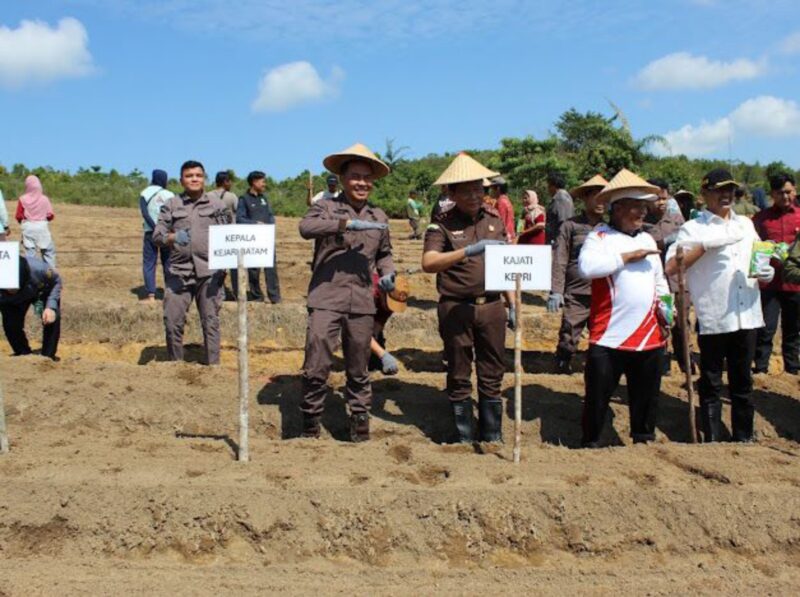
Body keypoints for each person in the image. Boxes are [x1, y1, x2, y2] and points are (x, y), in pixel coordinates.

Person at [665, 168, 773, 442]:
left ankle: (743, 437)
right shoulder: (693, 228)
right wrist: (704, 246)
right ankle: (712, 439)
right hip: (714, 316)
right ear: (705, 193)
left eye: (730, 190)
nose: (726, 195)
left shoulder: (746, 224)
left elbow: (758, 257)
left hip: (747, 314)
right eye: (719, 190)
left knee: (743, 382)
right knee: (711, 381)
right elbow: (671, 267)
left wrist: (764, 271)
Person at [298, 143, 396, 442]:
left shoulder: (379, 216)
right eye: (355, 176)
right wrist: (346, 223)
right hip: (326, 297)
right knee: (317, 363)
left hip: (362, 300)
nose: (362, 182)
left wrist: (388, 273)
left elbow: (385, 252)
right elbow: (306, 227)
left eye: (367, 177)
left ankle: (359, 425)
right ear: (342, 179)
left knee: (358, 367)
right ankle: (310, 426)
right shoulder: (325, 207)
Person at [422, 152, 514, 444]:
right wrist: (467, 252)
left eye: (480, 189)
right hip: (456, 308)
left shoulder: (495, 221)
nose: (475, 195)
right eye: (467, 190)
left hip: (492, 308)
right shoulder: (442, 224)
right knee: (459, 370)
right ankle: (462, 437)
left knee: (493, 371)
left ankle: (492, 434)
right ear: (452, 192)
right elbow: (429, 262)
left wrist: (512, 304)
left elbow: (507, 266)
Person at [578, 169, 670, 448]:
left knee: (646, 395)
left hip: (649, 334)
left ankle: (643, 439)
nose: (643, 212)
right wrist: (627, 257)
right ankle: (591, 443)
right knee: (597, 396)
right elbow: (587, 269)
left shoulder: (647, 238)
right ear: (617, 208)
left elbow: (660, 281)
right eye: (636, 206)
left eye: (644, 206)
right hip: (609, 334)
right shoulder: (599, 237)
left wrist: (668, 312)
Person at [152, 160, 231, 365]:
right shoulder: (171, 205)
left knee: (211, 322)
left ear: (204, 178)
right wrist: (173, 237)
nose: (194, 179)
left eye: (198, 175)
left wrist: (225, 267)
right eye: (189, 176)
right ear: (181, 180)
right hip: (179, 273)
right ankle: (175, 365)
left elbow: (230, 236)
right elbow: (157, 236)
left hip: (210, 273)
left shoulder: (217, 205)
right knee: (172, 321)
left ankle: (213, 367)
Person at [548, 174, 608, 373]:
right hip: (576, 292)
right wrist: (556, 290)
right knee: (569, 333)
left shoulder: (611, 228)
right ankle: (562, 364)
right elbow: (560, 259)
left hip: (605, 293)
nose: (600, 203)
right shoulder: (570, 226)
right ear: (585, 199)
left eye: (604, 198)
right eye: (596, 197)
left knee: (603, 337)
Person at [752, 173, 800, 374]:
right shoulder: (761, 218)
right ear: (772, 194)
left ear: (795, 190)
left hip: (795, 283)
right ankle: (761, 368)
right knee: (766, 327)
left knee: (793, 328)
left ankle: (792, 368)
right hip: (768, 284)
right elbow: (752, 245)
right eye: (780, 193)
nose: (785, 197)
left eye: (788, 192)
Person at [644, 177, 686, 375]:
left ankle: (685, 361)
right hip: (655, 281)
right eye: (656, 198)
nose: (660, 202)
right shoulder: (641, 221)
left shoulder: (676, 219)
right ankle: (662, 362)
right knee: (660, 320)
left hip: (676, 282)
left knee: (681, 323)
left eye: (664, 198)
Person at [0, 255, 62, 360]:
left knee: (51, 318)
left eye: (14, 288)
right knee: (11, 324)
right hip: (11, 301)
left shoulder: (40, 269)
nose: (11, 290)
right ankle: (22, 353)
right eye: (9, 288)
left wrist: (50, 306)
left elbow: (56, 281)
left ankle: (48, 356)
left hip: (38, 293)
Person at [236, 171, 281, 304]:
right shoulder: (244, 199)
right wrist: (255, 224)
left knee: (271, 269)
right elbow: (240, 219)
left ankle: (274, 297)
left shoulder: (264, 198)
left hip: (266, 239)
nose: (264, 184)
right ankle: (256, 296)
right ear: (254, 182)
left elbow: (270, 214)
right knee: (254, 270)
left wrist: (271, 223)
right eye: (262, 181)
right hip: (252, 241)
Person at [139, 169, 175, 303]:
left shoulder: (145, 193)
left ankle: (151, 296)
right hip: (166, 233)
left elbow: (144, 212)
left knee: (149, 262)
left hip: (150, 232)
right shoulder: (170, 194)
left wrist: (154, 228)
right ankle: (170, 293)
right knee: (168, 262)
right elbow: (174, 213)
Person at [368, 273, 409, 375]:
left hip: (371, 316)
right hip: (347, 310)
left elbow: (376, 327)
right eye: (390, 303)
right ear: (383, 293)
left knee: (373, 361)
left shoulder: (389, 302)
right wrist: (383, 354)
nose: (390, 308)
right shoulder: (369, 292)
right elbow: (360, 331)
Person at [208, 171, 240, 299]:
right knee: (234, 265)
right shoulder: (232, 197)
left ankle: (217, 292)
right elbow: (238, 211)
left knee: (216, 264)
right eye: (229, 181)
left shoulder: (207, 195)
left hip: (213, 234)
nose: (231, 183)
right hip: (229, 234)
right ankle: (237, 293)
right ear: (225, 182)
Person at [15, 175, 56, 267]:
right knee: (48, 253)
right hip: (42, 228)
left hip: (28, 228)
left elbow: (18, 216)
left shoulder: (22, 199)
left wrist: (26, 222)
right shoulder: (45, 199)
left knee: (30, 256)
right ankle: (50, 277)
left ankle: (31, 278)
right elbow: (50, 215)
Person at [546, 173, 574, 245]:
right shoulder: (561, 197)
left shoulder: (561, 197)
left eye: (549, 186)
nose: (548, 189)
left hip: (558, 239)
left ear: (554, 186)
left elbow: (563, 220)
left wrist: (559, 241)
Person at [488, 177, 516, 243]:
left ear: (498, 189)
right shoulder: (506, 200)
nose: (491, 191)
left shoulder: (501, 202)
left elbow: (500, 221)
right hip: (509, 235)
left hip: (504, 237)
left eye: (492, 189)